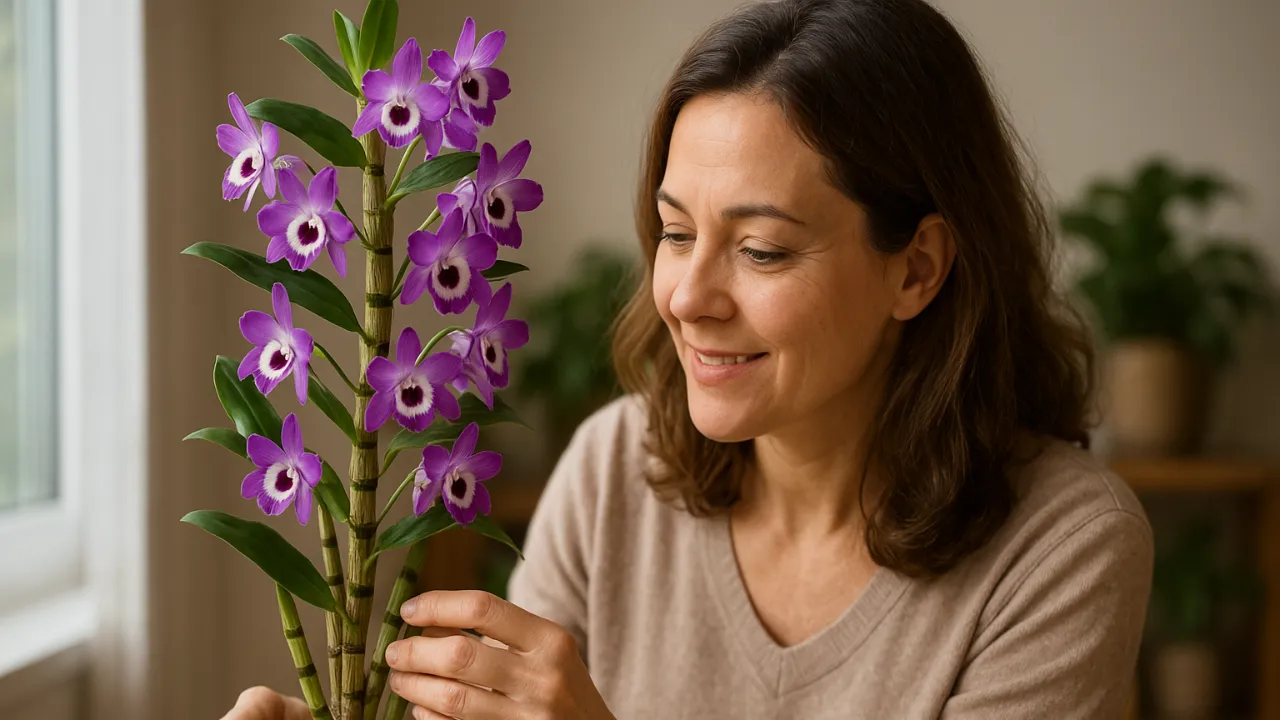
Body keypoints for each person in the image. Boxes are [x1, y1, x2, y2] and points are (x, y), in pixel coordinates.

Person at [225, 0, 1154, 717]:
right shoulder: (610, 473)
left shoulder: (1062, 547)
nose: (686, 297)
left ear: (916, 269)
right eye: (675, 233)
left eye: (761, 250)